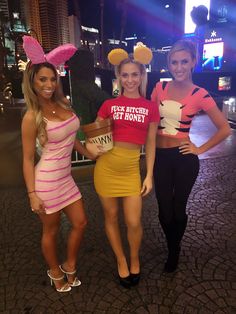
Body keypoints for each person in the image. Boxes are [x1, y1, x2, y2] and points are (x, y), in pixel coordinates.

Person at [21, 36, 101, 292]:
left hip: (66, 180)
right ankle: (54, 270)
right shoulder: (32, 117)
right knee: (51, 231)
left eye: (52, 78)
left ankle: (69, 263)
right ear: (32, 81)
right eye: (42, 79)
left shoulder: (62, 104)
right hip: (45, 183)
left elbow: (71, 137)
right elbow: (26, 158)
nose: (48, 84)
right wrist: (32, 194)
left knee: (80, 223)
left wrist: (87, 152)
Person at [151, 39, 231, 273]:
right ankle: (173, 244)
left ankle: (173, 251)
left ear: (193, 62)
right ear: (168, 64)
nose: (179, 67)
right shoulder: (159, 88)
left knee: (178, 208)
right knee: (164, 209)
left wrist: (199, 149)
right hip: (161, 157)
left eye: (184, 61)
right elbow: (149, 120)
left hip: (185, 159)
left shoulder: (200, 94)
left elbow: (224, 129)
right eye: (174, 62)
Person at [93, 46, 160, 288]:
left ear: (142, 76)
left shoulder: (150, 107)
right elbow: (93, 134)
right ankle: (121, 260)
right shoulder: (109, 105)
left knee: (133, 222)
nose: (130, 80)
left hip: (132, 170)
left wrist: (149, 174)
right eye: (125, 75)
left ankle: (134, 257)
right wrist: (93, 147)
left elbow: (151, 143)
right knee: (110, 217)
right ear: (118, 77)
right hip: (106, 169)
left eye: (134, 75)